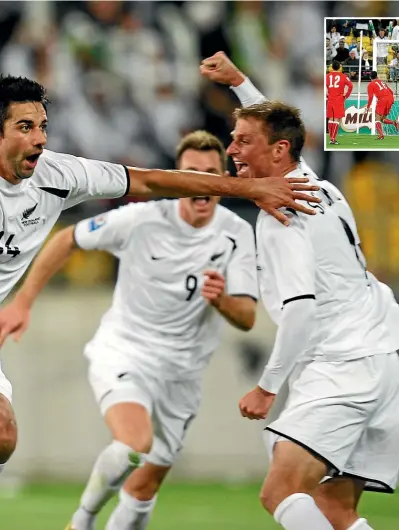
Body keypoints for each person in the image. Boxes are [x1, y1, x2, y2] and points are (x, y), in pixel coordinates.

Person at [0, 74, 319, 530]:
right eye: (25, 127)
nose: (40, 139)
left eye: (43, 126)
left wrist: (251, 189)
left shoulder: (59, 175)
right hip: (128, 352)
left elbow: (149, 180)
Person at [0, 130, 259, 530]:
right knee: (135, 443)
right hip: (125, 352)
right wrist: (24, 300)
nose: (202, 183)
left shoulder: (237, 233)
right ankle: (81, 521)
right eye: (192, 173)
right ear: (180, 177)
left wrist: (221, 299)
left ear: (222, 178)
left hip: (183, 374)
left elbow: (248, 316)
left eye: (210, 173)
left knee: (143, 487)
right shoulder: (141, 219)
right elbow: (68, 238)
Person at [200, 51, 399, 530]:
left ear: (279, 155)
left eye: (241, 142)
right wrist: (240, 83)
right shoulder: (317, 185)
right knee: (335, 509)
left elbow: (301, 310)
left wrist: (268, 387)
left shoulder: (281, 216)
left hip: (343, 367)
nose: (231, 151)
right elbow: (275, 129)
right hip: (385, 356)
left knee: (280, 491)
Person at [325, 61, 353, 145]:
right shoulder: (343, 76)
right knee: (336, 118)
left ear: (332, 67)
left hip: (330, 99)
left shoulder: (327, 76)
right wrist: (346, 95)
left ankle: (331, 138)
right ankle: (333, 139)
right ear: (339, 67)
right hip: (339, 99)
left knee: (330, 118)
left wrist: (326, 92)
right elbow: (351, 86)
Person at [364, 71, 398, 139]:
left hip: (382, 99)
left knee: (377, 118)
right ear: (377, 76)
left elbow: (370, 97)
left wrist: (368, 107)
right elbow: (391, 91)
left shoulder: (371, 84)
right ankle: (394, 123)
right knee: (383, 119)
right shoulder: (382, 82)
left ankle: (381, 135)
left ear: (370, 77)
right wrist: (391, 100)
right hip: (390, 98)